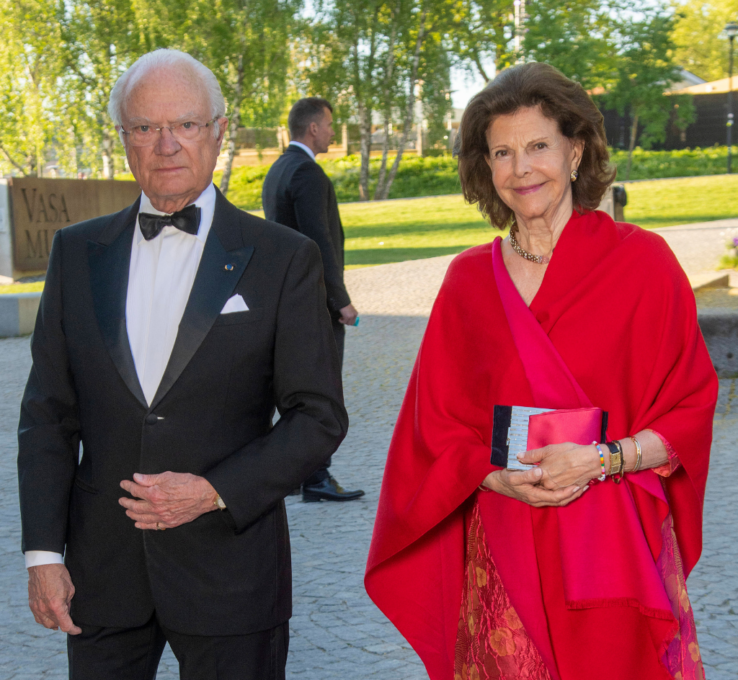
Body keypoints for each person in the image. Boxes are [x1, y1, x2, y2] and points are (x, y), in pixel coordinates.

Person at [365, 62, 717, 680]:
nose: (521, 168)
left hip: (611, 538)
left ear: (576, 150)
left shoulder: (643, 264)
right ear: (486, 167)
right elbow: (434, 425)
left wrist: (603, 459)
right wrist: (493, 478)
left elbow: (690, 409)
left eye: (537, 146)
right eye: (502, 152)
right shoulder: (467, 281)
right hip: (504, 540)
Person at [17, 49, 348, 680]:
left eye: (186, 125)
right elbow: (47, 418)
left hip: (231, 573)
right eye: (144, 127)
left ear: (219, 130)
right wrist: (42, 555)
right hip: (101, 578)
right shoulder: (76, 253)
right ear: (124, 139)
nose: (166, 144)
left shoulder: (284, 258)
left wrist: (213, 491)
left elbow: (318, 419)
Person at [262, 97, 364, 503]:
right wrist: (340, 300)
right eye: (329, 124)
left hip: (286, 300)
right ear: (313, 129)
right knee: (320, 391)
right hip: (315, 303)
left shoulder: (278, 170)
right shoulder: (308, 173)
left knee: (294, 390)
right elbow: (317, 243)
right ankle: (317, 477)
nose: (333, 132)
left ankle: (293, 474)